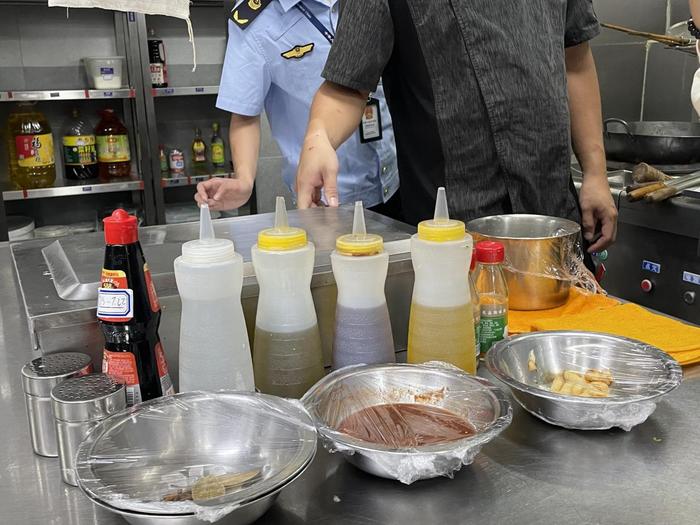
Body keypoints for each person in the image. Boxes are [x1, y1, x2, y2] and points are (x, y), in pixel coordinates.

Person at [295, 0, 618, 253]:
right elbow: (347, 86)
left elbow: (575, 58)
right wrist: (319, 136)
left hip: (554, 218)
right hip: (454, 235)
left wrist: (595, 172)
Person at [195, 0, 400, 219]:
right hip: (327, 198)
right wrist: (244, 179)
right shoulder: (255, 19)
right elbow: (245, 113)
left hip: (397, 177)